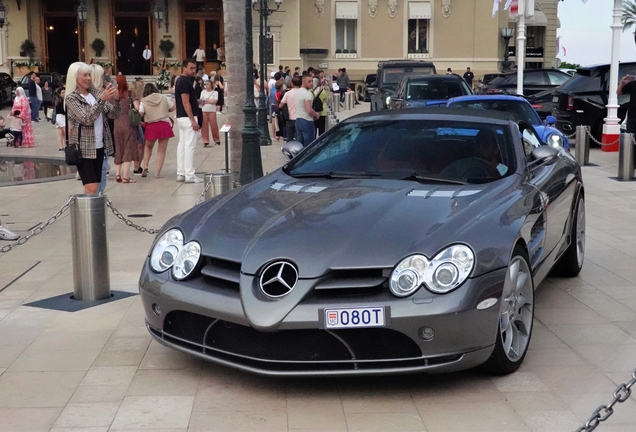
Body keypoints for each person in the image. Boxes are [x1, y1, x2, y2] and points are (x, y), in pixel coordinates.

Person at [65, 61, 120, 195]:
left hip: (100, 146)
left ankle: (93, 213)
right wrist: (102, 100)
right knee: (91, 187)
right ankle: (87, 214)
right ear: (75, 77)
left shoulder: (95, 93)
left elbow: (113, 114)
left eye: (89, 75)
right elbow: (87, 119)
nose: (88, 78)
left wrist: (116, 100)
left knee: (97, 185)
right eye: (84, 75)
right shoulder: (72, 98)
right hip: (84, 148)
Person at [139, 83, 175, 178]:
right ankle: (157, 173)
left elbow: (141, 113)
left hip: (151, 126)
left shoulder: (143, 101)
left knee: (148, 147)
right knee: (161, 151)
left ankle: (145, 166)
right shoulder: (164, 97)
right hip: (164, 125)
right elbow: (172, 108)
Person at [175, 58, 202, 183]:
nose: (193, 71)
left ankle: (181, 173)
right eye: (191, 68)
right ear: (184, 67)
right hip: (187, 117)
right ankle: (189, 174)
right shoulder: (185, 82)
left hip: (181, 117)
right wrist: (193, 120)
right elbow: (185, 102)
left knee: (182, 145)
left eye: (194, 68)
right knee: (189, 146)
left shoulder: (180, 81)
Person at [113, 75, 141, 183]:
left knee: (119, 147)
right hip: (129, 123)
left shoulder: (113, 95)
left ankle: (117, 174)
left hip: (117, 123)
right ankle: (126, 176)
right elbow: (137, 108)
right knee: (128, 148)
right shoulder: (130, 94)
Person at [295, 72, 320, 146]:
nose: (311, 83)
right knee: (309, 145)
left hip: (298, 119)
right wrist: (316, 114)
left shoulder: (298, 92)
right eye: (309, 81)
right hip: (307, 121)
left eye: (312, 81)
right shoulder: (307, 94)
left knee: (300, 144)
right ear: (303, 82)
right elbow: (309, 110)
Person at [280, 75, 301, 142]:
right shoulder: (303, 93)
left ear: (292, 83)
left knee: (289, 137)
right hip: (300, 118)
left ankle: (289, 150)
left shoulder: (287, 93)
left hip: (290, 118)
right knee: (299, 137)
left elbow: (280, 105)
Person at [199, 80, 219, 146]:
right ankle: (205, 140)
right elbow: (201, 100)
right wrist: (208, 101)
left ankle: (216, 139)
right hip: (204, 110)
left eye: (207, 84)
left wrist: (206, 100)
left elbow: (215, 101)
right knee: (204, 126)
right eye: (205, 84)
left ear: (211, 85)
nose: (206, 85)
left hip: (212, 110)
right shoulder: (203, 92)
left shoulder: (215, 92)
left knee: (214, 125)